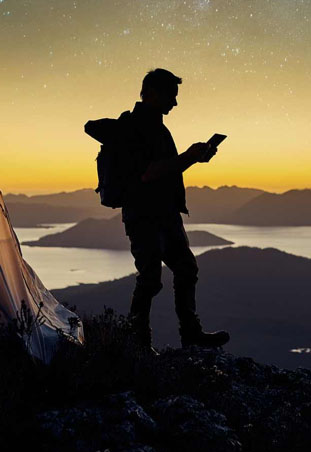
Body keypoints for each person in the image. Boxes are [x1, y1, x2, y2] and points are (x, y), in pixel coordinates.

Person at [84, 68, 230, 352]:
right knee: (150, 279)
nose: (175, 104)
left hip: (165, 213)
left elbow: (165, 170)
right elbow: (149, 173)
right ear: (151, 93)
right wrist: (188, 156)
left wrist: (193, 159)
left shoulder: (157, 127)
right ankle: (139, 345)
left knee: (186, 269)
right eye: (171, 96)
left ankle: (190, 334)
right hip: (144, 216)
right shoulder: (134, 128)